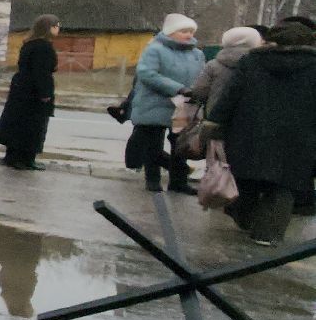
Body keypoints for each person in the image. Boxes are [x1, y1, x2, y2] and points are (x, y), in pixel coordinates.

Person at [208, 21, 316, 245]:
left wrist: (215, 123)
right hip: (298, 138)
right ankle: (269, 234)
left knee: (247, 179)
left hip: (249, 132)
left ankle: (246, 219)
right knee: (285, 185)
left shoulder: (252, 61)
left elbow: (231, 95)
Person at [127, 13, 206, 194]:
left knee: (180, 145)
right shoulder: (155, 49)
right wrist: (178, 88)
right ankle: (152, 180)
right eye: (184, 31)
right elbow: (147, 74)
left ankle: (178, 182)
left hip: (184, 105)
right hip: (154, 103)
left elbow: (202, 75)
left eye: (191, 31)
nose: (188, 35)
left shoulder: (197, 54)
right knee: (153, 144)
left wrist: (197, 92)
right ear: (171, 32)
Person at [0, 15, 59, 171]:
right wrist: (45, 93)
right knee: (33, 125)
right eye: (56, 25)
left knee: (17, 122)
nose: (58, 29)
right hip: (34, 93)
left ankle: (12, 156)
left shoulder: (29, 44)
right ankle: (26, 159)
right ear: (48, 27)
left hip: (21, 89)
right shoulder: (44, 47)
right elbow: (41, 72)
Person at [186, 26, 263, 112]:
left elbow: (200, 91)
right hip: (251, 116)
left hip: (215, 114)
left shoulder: (213, 65)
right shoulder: (262, 65)